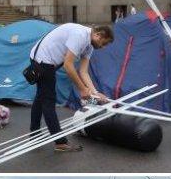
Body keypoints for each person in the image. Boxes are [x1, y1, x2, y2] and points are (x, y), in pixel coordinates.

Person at [28, 23, 114, 152]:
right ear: (98, 35)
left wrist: (95, 93)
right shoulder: (80, 35)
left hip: (50, 61)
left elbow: (83, 71)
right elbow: (68, 66)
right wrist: (82, 89)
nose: (102, 47)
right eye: (103, 43)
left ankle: (34, 134)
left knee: (41, 97)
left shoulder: (89, 46)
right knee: (49, 100)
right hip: (42, 60)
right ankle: (60, 143)